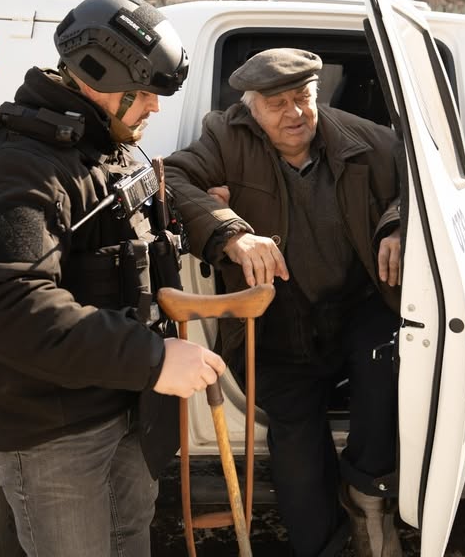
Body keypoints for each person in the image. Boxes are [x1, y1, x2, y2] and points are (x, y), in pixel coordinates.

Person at [0, 0, 225, 557]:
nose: (155, 106)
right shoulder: (19, 164)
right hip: (55, 431)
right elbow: (11, 305)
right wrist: (154, 358)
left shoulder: (101, 145)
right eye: (144, 91)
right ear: (100, 75)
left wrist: (220, 228)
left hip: (122, 404)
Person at [164, 47, 404, 557]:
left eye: (303, 98)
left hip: (354, 307)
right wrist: (231, 232)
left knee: (388, 360)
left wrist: (397, 225)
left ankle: (368, 494)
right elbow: (172, 180)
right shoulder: (225, 137)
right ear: (251, 109)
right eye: (277, 104)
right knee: (298, 446)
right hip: (277, 322)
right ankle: (324, 549)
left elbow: (425, 180)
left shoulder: (362, 138)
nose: (294, 114)